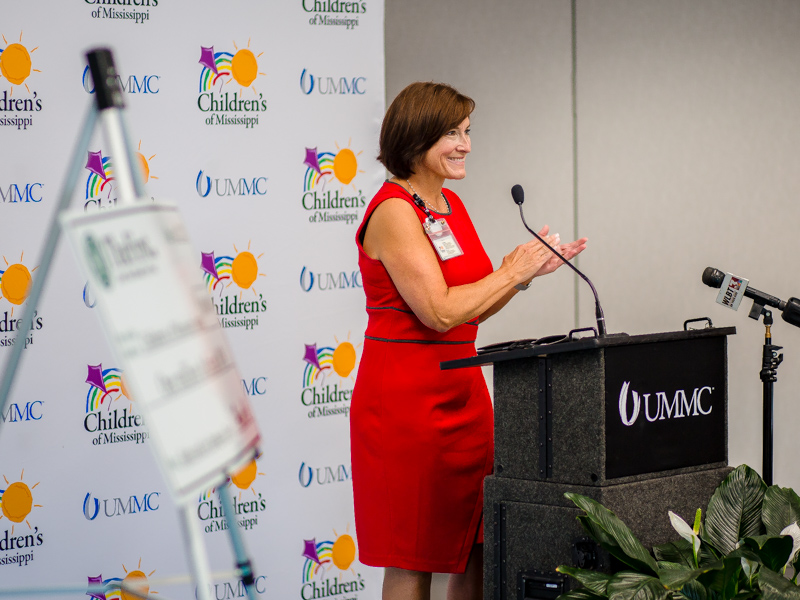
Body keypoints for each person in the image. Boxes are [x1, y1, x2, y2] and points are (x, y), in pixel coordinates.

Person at [350, 81, 587, 600]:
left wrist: (524, 274)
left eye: (468, 132)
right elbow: (438, 312)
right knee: (413, 554)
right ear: (416, 139)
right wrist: (510, 270)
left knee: (477, 542)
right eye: (452, 133)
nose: (466, 145)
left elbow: (472, 304)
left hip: (465, 394)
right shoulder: (393, 210)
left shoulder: (449, 205)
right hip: (408, 404)